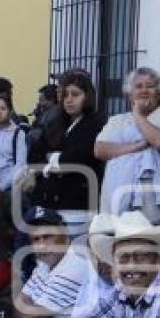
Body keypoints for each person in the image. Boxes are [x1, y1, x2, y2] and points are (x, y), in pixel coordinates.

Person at [10, 207, 108, 318]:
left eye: (47, 236)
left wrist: (26, 307)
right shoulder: (45, 263)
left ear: (64, 235)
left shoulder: (74, 265)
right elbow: (19, 308)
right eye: (36, 239)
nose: (42, 245)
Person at [96, 68, 160, 223]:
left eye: (149, 86)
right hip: (118, 208)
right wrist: (136, 147)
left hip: (156, 212)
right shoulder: (116, 121)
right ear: (129, 94)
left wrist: (138, 114)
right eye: (138, 86)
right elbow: (100, 150)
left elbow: (159, 141)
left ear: (158, 93)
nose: (144, 90)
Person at [29, 70, 107, 236]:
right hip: (48, 204)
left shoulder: (95, 123)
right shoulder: (56, 122)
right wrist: (52, 163)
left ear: (87, 96)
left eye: (75, 94)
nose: (69, 99)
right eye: (65, 95)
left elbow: (75, 158)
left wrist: (52, 159)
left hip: (77, 204)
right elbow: (35, 155)